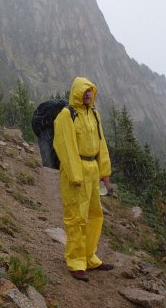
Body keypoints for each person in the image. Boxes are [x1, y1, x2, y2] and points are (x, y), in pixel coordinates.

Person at [53, 76, 113, 282]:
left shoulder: (94, 114)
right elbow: (64, 145)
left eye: (91, 91)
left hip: (92, 169)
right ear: (77, 93)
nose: (89, 94)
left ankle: (90, 257)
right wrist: (75, 174)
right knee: (76, 217)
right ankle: (76, 262)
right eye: (85, 91)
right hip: (75, 171)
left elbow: (101, 144)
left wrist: (104, 172)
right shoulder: (66, 115)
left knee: (94, 215)